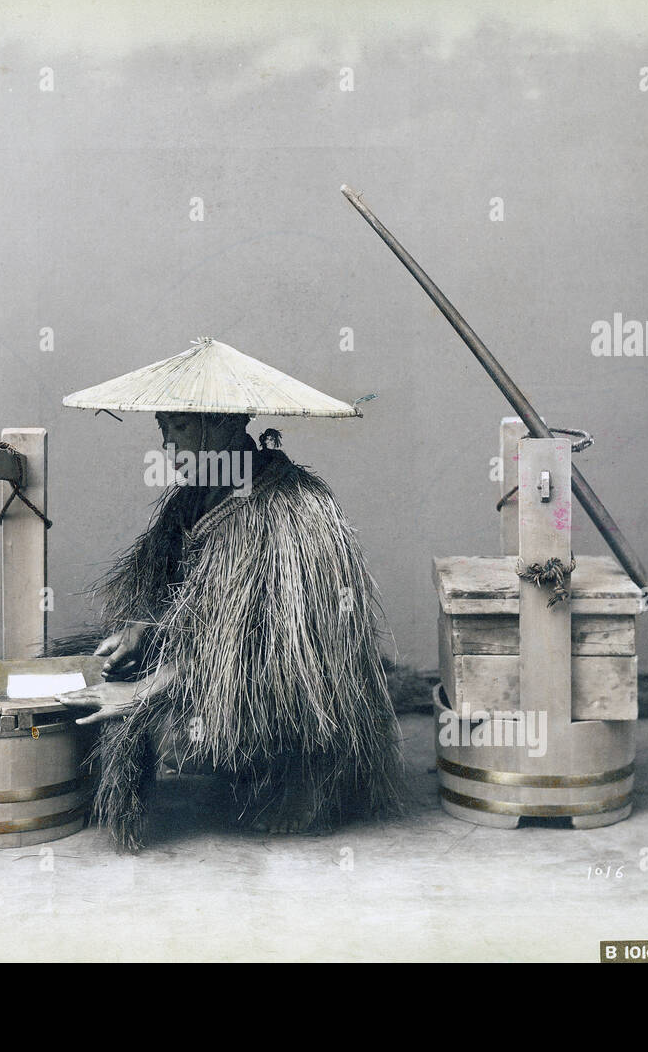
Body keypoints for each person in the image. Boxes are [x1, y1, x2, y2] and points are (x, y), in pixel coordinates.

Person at [57, 339, 404, 850]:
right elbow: (175, 589)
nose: (168, 446)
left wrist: (143, 691)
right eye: (163, 430)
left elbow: (250, 644)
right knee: (89, 668)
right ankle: (225, 754)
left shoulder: (289, 510)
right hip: (210, 654)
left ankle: (305, 775)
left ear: (223, 425)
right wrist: (139, 630)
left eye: (177, 429)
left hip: (289, 672)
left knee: (248, 685)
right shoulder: (196, 494)